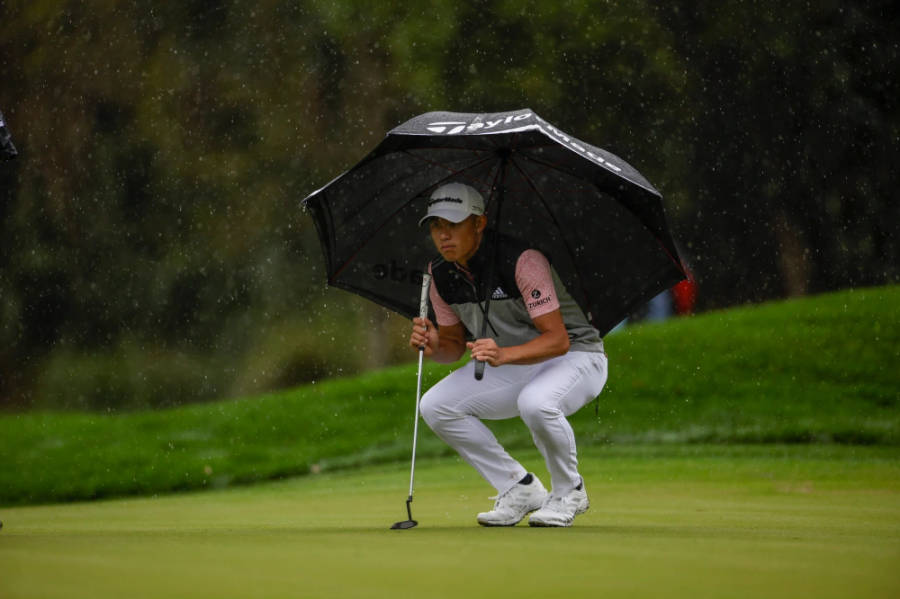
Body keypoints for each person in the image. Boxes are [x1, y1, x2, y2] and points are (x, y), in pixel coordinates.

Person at [409, 182, 608, 527]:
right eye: (436, 226)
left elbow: (558, 340)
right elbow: (454, 347)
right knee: (435, 406)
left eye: (453, 224)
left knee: (536, 402)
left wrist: (504, 354)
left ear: (479, 223)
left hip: (577, 356)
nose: (444, 235)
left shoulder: (523, 261)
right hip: (516, 362)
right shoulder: (439, 275)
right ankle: (519, 487)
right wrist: (434, 345)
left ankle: (569, 491)